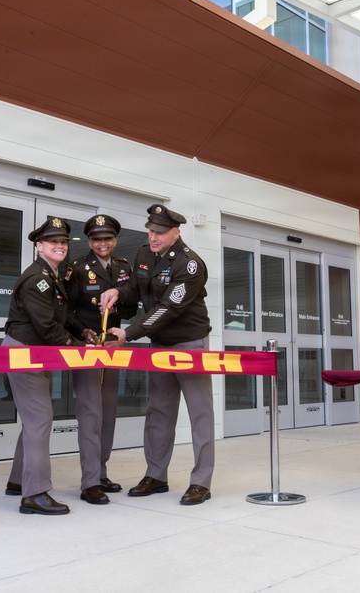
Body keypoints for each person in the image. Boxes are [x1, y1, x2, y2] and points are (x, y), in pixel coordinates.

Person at [102, 204, 214, 506]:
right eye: (150, 231)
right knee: (158, 411)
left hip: (189, 343)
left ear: (176, 232)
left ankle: (201, 482)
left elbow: (168, 308)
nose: (153, 237)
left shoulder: (190, 265)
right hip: (160, 344)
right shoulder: (144, 254)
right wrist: (117, 292)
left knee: (199, 413)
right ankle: (156, 475)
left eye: (160, 233)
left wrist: (129, 332)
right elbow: (136, 291)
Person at [1, 216, 97, 516]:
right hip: (25, 353)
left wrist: (82, 331)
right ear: (39, 246)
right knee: (41, 419)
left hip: (35, 353)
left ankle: (19, 481)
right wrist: (78, 349)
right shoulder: (37, 278)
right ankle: (35, 493)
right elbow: (46, 326)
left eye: (63, 242)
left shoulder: (51, 275)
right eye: (53, 242)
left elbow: (61, 315)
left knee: (34, 421)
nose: (59, 246)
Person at [63, 214, 136, 504]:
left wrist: (120, 296)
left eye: (107, 238)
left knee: (108, 411)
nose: (102, 243)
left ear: (115, 240)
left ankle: (101, 471)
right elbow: (64, 310)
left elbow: (133, 300)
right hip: (88, 345)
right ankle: (89, 481)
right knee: (90, 412)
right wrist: (82, 331)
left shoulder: (124, 267)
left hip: (112, 344)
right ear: (89, 241)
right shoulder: (77, 268)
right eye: (96, 239)